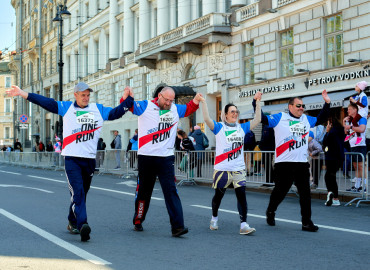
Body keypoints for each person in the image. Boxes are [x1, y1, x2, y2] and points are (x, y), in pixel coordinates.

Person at [7, 82, 134, 242]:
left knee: (82, 194)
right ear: (75, 95)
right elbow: (47, 103)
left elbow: (116, 113)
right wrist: (23, 93)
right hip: (72, 159)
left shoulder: (98, 109)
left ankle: (72, 221)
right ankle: (83, 225)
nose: (86, 98)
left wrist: (128, 100)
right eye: (83, 95)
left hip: (89, 160)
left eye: (88, 95)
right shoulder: (67, 108)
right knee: (78, 193)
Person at [121, 86, 201, 236]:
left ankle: (178, 227)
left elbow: (188, 109)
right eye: (166, 100)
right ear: (159, 96)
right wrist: (126, 97)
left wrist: (195, 101)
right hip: (147, 157)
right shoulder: (146, 106)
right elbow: (128, 106)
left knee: (171, 191)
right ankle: (138, 220)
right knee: (144, 192)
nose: (169, 103)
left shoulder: (174, 109)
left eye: (171, 100)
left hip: (166, 158)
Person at [259, 90, 331, 232]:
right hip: (283, 163)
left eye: (302, 106)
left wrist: (327, 103)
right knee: (280, 191)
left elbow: (321, 118)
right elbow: (262, 119)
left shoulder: (306, 119)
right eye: (298, 106)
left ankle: (306, 222)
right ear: (290, 106)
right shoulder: (280, 117)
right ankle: (271, 211)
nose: (301, 108)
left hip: (302, 163)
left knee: (305, 193)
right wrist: (256, 103)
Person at [199, 91, 261, 235]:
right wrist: (203, 102)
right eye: (232, 111)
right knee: (218, 196)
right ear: (225, 114)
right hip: (222, 169)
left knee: (242, 196)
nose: (235, 114)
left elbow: (257, 119)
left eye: (236, 111)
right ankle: (214, 217)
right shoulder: (219, 127)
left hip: (238, 169)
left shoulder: (242, 128)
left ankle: (244, 224)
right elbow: (207, 118)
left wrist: (257, 102)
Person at [344, 103, 367, 192]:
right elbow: (346, 132)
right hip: (352, 145)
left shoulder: (361, 119)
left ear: (355, 110)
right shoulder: (350, 120)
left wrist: (351, 127)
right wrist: (344, 122)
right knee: (355, 166)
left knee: (361, 165)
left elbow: (362, 129)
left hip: (360, 145)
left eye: (349, 109)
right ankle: (357, 186)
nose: (348, 111)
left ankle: (364, 186)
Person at [323, 116, 345, 206]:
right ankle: (333, 196)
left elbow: (325, 142)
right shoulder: (340, 130)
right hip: (338, 157)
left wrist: (327, 132)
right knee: (331, 176)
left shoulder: (332, 132)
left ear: (330, 123)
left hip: (331, 156)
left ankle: (333, 195)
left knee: (329, 176)